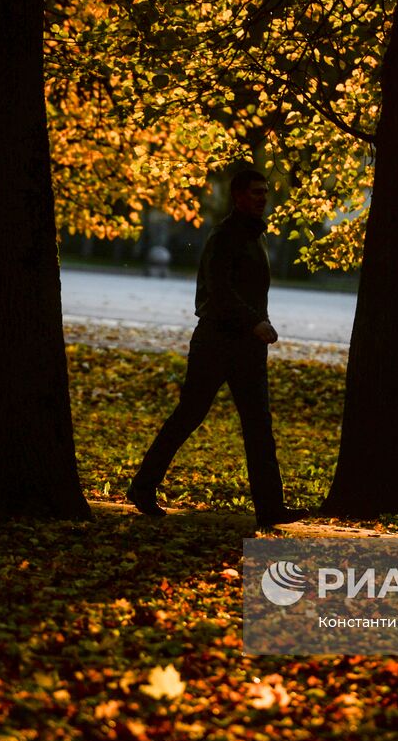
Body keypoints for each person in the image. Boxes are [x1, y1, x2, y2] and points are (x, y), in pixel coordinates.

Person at [125, 169, 308, 527]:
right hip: (216, 341)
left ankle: (270, 508)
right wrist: (255, 321)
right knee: (189, 415)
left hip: (248, 348)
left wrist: (257, 326)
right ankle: (142, 487)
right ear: (237, 195)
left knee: (259, 425)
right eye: (255, 192)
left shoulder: (256, 236)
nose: (262, 198)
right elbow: (219, 291)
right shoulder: (224, 236)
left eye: (265, 193)